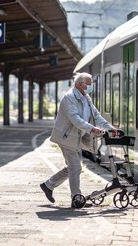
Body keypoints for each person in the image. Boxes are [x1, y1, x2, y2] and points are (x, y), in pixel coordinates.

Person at [40, 72, 117, 207]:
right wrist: (92, 129)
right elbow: (75, 119)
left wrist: (110, 128)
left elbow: (96, 115)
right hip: (67, 138)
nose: (92, 86)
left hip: (77, 138)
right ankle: (76, 198)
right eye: (90, 83)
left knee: (73, 167)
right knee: (75, 167)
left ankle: (48, 185)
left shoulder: (86, 97)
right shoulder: (69, 98)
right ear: (81, 84)